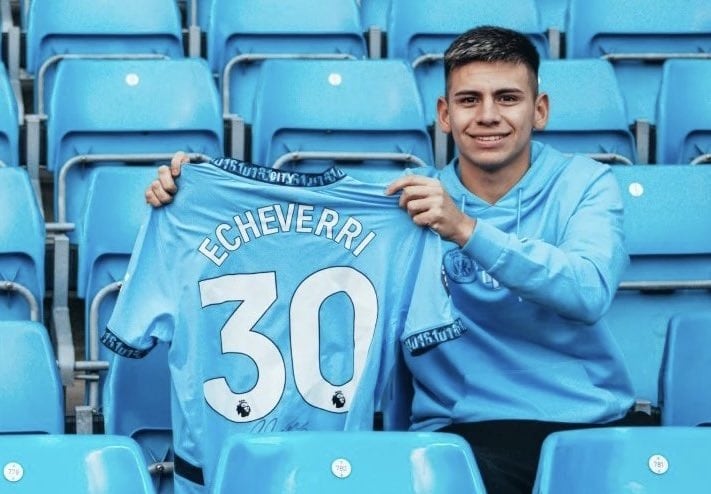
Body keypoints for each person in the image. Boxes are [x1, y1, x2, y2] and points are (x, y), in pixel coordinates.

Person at [146, 26, 648, 494]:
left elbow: (587, 291)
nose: (489, 115)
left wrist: (468, 231)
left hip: (591, 422)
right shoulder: (407, 206)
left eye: (508, 98)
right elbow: (294, 235)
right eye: (469, 100)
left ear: (539, 110)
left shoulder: (586, 183)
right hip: (461, 436)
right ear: (444, 114)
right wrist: (195, 193)